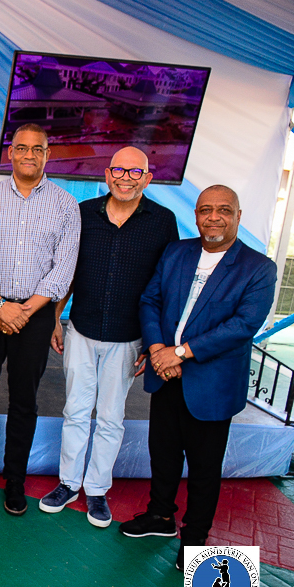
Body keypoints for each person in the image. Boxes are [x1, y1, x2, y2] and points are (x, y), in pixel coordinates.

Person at [119, 185, 276, 572]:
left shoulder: (258, 267)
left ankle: (194, 538)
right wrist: (158, 348)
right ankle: (160, 516)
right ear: (197, 215)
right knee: (163, 453)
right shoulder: (176, 252)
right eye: (206, 210)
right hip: (165, 374)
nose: (214, 217)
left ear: (238, 215)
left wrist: (180, 353)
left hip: (212, 384)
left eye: (224, 210)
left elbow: (243, 325)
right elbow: (150, 300)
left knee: (204, 468)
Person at [40, 147, 178, 527]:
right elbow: (66, 271)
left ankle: (97, 490)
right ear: (107, 175)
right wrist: (55, 318)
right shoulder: (82, 214)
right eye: (119, 170)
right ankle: (68, 484)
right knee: (75, 411)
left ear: (147, 179)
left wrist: (154, 342)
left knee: (111, 418)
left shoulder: (163, 221)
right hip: (81, 330)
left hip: (129, 339)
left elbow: (166, 287)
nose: (125, 178)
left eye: (135, 172)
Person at [0, 123, 80, 515]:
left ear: (47, 154)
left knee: (25, 400)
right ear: (10, 153)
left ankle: (14, 482)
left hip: (35, 315)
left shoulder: (65, 205)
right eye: (21, 148)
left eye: (37, 149)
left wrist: (23, 310)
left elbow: (64, 270)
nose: (29, 155)